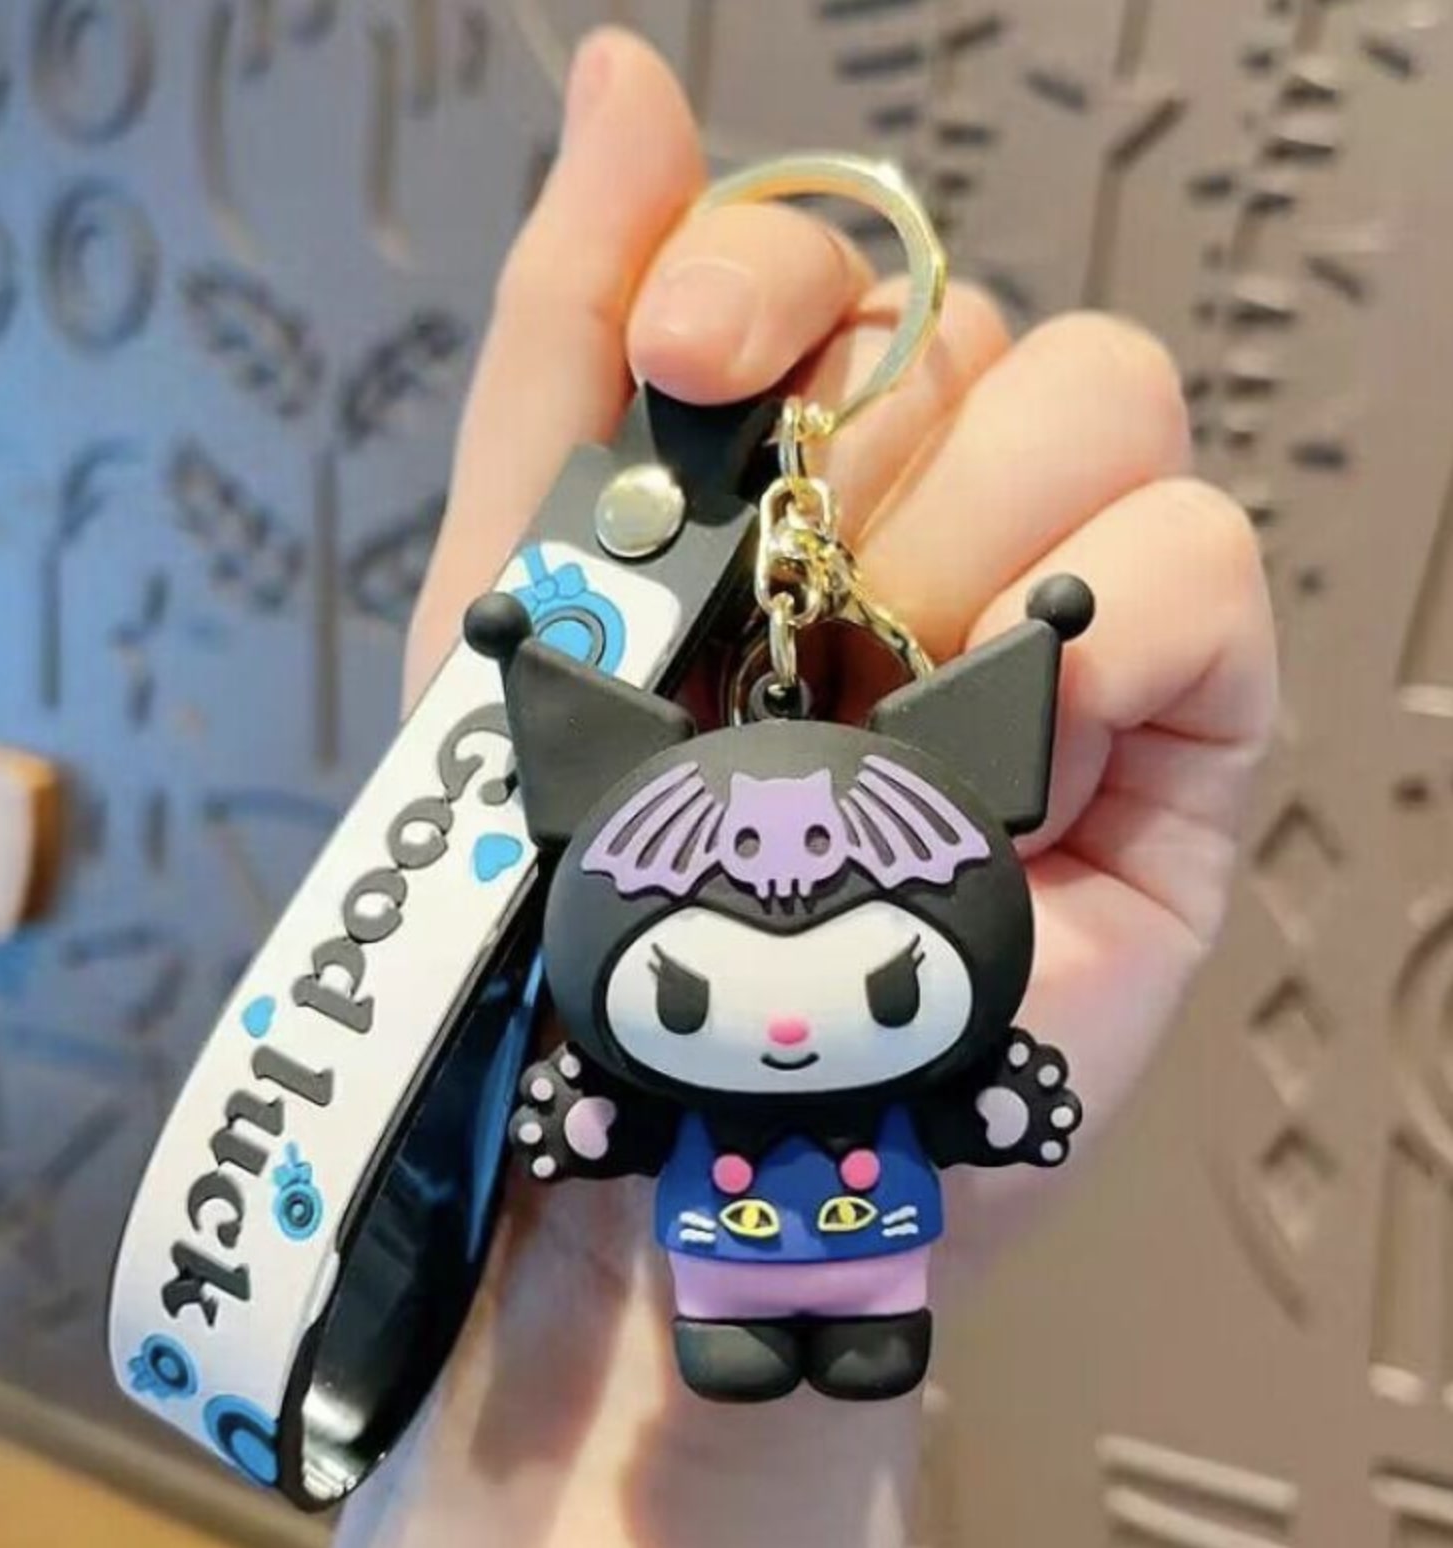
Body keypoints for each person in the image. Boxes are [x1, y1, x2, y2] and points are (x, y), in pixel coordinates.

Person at [335, 27, 1278, 1548]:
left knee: (864, 1314)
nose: (781, 1027)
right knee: (732, 1311)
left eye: (885, 984)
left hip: (874, 1246)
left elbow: (975, 1096)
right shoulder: (640, 1024)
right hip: (702, 1253)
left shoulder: (910, 1047)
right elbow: (613, 1114)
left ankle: (837, 1334)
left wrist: (1000, 1096)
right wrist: (549, 1142)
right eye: (695, 995)